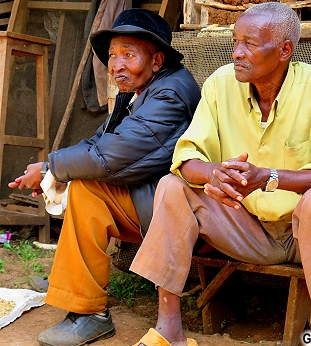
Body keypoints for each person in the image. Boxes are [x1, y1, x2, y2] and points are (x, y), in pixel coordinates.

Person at [129, 2, 311, 345]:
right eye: (235, 42)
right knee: (173, 185)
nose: (237, 52)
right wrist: (212, 174)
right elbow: (187, 157)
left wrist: (267, 176)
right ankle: (170, 329)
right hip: (249, 230)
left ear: (284, 50)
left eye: (250, 44)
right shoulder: (221, 83)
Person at [8, 8, 200, 346]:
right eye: (112, 55)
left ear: (157, 60)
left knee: (88, 188)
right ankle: (73, 288)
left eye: (128, 54)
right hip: (149, 199)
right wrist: (57, 171)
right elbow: (100, 141)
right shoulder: (142, 90)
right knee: (81, 182)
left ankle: (89, 313)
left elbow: (110, 157)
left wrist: (49, 167)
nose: (116, 65)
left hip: (178, 210)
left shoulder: (169, 93)